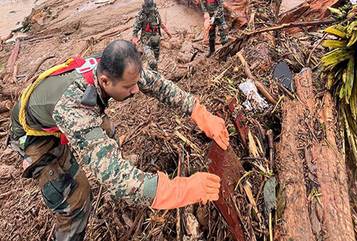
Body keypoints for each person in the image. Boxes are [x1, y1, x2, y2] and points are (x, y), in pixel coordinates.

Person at [8, 40, 229, 241]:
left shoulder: (115, 68)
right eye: (128, 87)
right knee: (76, 198)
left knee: (108, 131)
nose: (135, 90)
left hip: (63, 113)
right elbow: (113, 176)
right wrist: (179, 190)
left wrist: (199, 112)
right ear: (105, 81)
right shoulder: (74, 107)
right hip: (36, 136)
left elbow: (158, 85)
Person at [131, 0, 171, 71]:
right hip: (146, 41)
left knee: (156, 59)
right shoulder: (141, 15)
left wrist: (167, 31)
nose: (150, 10)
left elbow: (160, 23)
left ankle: (154, 73)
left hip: (156, 39)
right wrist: (134, 38)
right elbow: (135, 30)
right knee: (152, 62)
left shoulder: (155, 12)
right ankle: (152, 74)